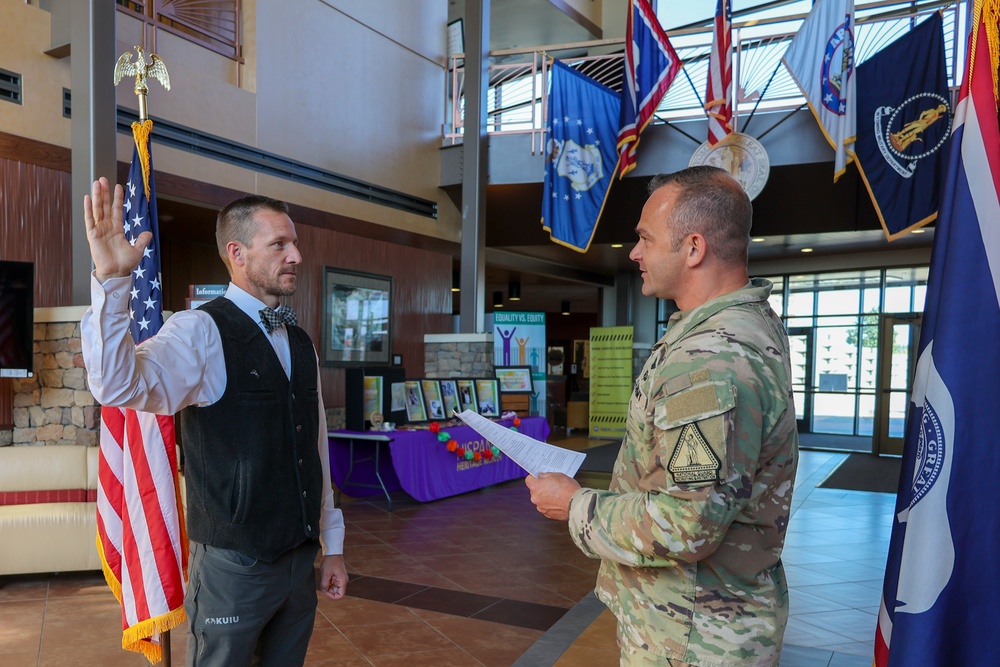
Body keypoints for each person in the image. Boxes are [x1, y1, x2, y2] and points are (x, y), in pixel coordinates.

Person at [526, 166, 797, 666]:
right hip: (704, 623)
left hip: (693, 637)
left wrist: (576, 505)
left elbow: (686, 522)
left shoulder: (706, 361)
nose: (634, 253)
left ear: (693, 248)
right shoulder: (742, 327)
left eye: (645, 238)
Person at [80, 177, 348, 667]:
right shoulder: (199, 330)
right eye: (280, 244)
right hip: (234, 568)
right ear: (237, 253)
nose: (297, 256)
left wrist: (332, 545)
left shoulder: (302, 342)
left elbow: (316, 453)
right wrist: (113, 282)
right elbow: (119, 386)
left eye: (296, 243)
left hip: (300, 561)